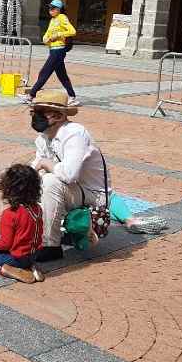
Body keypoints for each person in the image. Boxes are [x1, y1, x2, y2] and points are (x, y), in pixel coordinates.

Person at [28, 90, 106, 262]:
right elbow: (35, 168)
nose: (34, 116)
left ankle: (51, 245)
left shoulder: (75, 133)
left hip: (93, 195)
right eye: (33, 112)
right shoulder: (43, 137)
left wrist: (44, 163)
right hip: (73, 190)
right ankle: (28, 236)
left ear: (57, 116)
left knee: (50, 182)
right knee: (28, 184)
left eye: (40, 112)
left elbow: (69, 175)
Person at [0, 164, 44, 284]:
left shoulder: (10, 213)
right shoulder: (37, 208)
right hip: (34, 254)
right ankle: (31, 267)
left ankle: (3, 270)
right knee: (22, 251)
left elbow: (5, 244)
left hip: (18, 258)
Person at [22, 0, 78, 107]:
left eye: (52, 8)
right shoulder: (53, 20)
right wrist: (45, 39)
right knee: (62, 76)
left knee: (44, 72)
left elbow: (72, 31)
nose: (50, 10)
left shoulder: (62, 18)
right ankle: (72, 96)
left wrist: (58, 35)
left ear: (58, 9)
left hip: (59, 50)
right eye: (49, 8)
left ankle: (31, 96)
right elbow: (47, 33)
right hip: (53, 50)